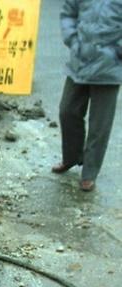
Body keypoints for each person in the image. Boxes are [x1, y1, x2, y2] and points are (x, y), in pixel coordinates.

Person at [52, 0, 122, 192]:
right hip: (80, 60)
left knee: (100, 125)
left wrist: (115, 51)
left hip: (109, 67)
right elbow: (68, 13)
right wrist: (73, 40)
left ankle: (89, 173)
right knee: (67, 111)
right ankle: (71, 157)